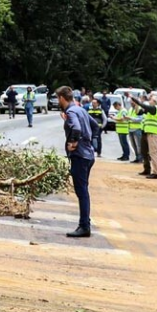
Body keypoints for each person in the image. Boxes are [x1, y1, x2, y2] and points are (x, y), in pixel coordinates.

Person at [57, 86, 99, 238]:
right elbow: (95, 126)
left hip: (80, 156)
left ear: (62, 97)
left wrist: (74, 143)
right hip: (88, 155)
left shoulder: (71, 111)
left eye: (57, 98)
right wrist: (90, 142)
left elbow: (76, 128)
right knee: (83, 191)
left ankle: (84, 226)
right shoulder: (80, 110)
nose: (58, 101)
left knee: (82, 192)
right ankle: (84, 224)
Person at [131, 93, 157, 179]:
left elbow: (145, 107)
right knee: (145, 152)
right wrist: (135, 105)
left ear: (155, 101)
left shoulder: (156, 109)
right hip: (147, 132)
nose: (149, 101)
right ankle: (148, 169)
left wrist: (136, 101)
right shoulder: (151, 110)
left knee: (153, 153)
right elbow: (138, 112)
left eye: (151, 99)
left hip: (153, 133)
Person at [124, 95, 143, 164]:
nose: (131, 103)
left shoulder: (140, 109)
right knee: (133, 145)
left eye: (132, 102)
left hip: (137, 129)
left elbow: (140, 119)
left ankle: (140, 158)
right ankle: (137, 157)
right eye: (131, 102)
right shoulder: (131, 109)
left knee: (139, 145)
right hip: (131, 129)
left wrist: (130, 118)